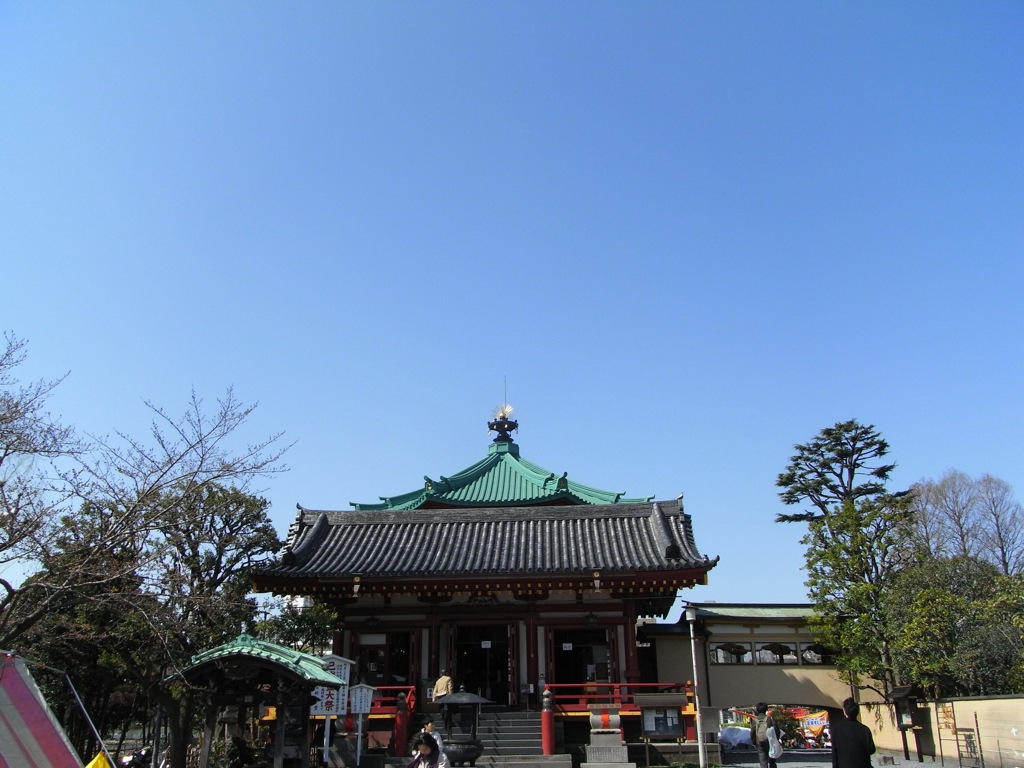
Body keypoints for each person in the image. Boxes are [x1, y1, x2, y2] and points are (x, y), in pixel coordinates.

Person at [831, 698, 876, 768]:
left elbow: (835, 754)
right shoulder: (865, 729)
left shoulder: (836, 729)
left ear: (844, 711)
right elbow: (871, 749)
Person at [749, 702, 781, 768]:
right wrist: (777, 740)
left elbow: (752, 732)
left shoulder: (755, 720)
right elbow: (776, 730)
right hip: (770, 742)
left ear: (757, 710)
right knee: (772, 761)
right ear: (766, 709)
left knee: (763, 762)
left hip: (760, 743)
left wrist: (754, 742)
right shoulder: (770, 719)